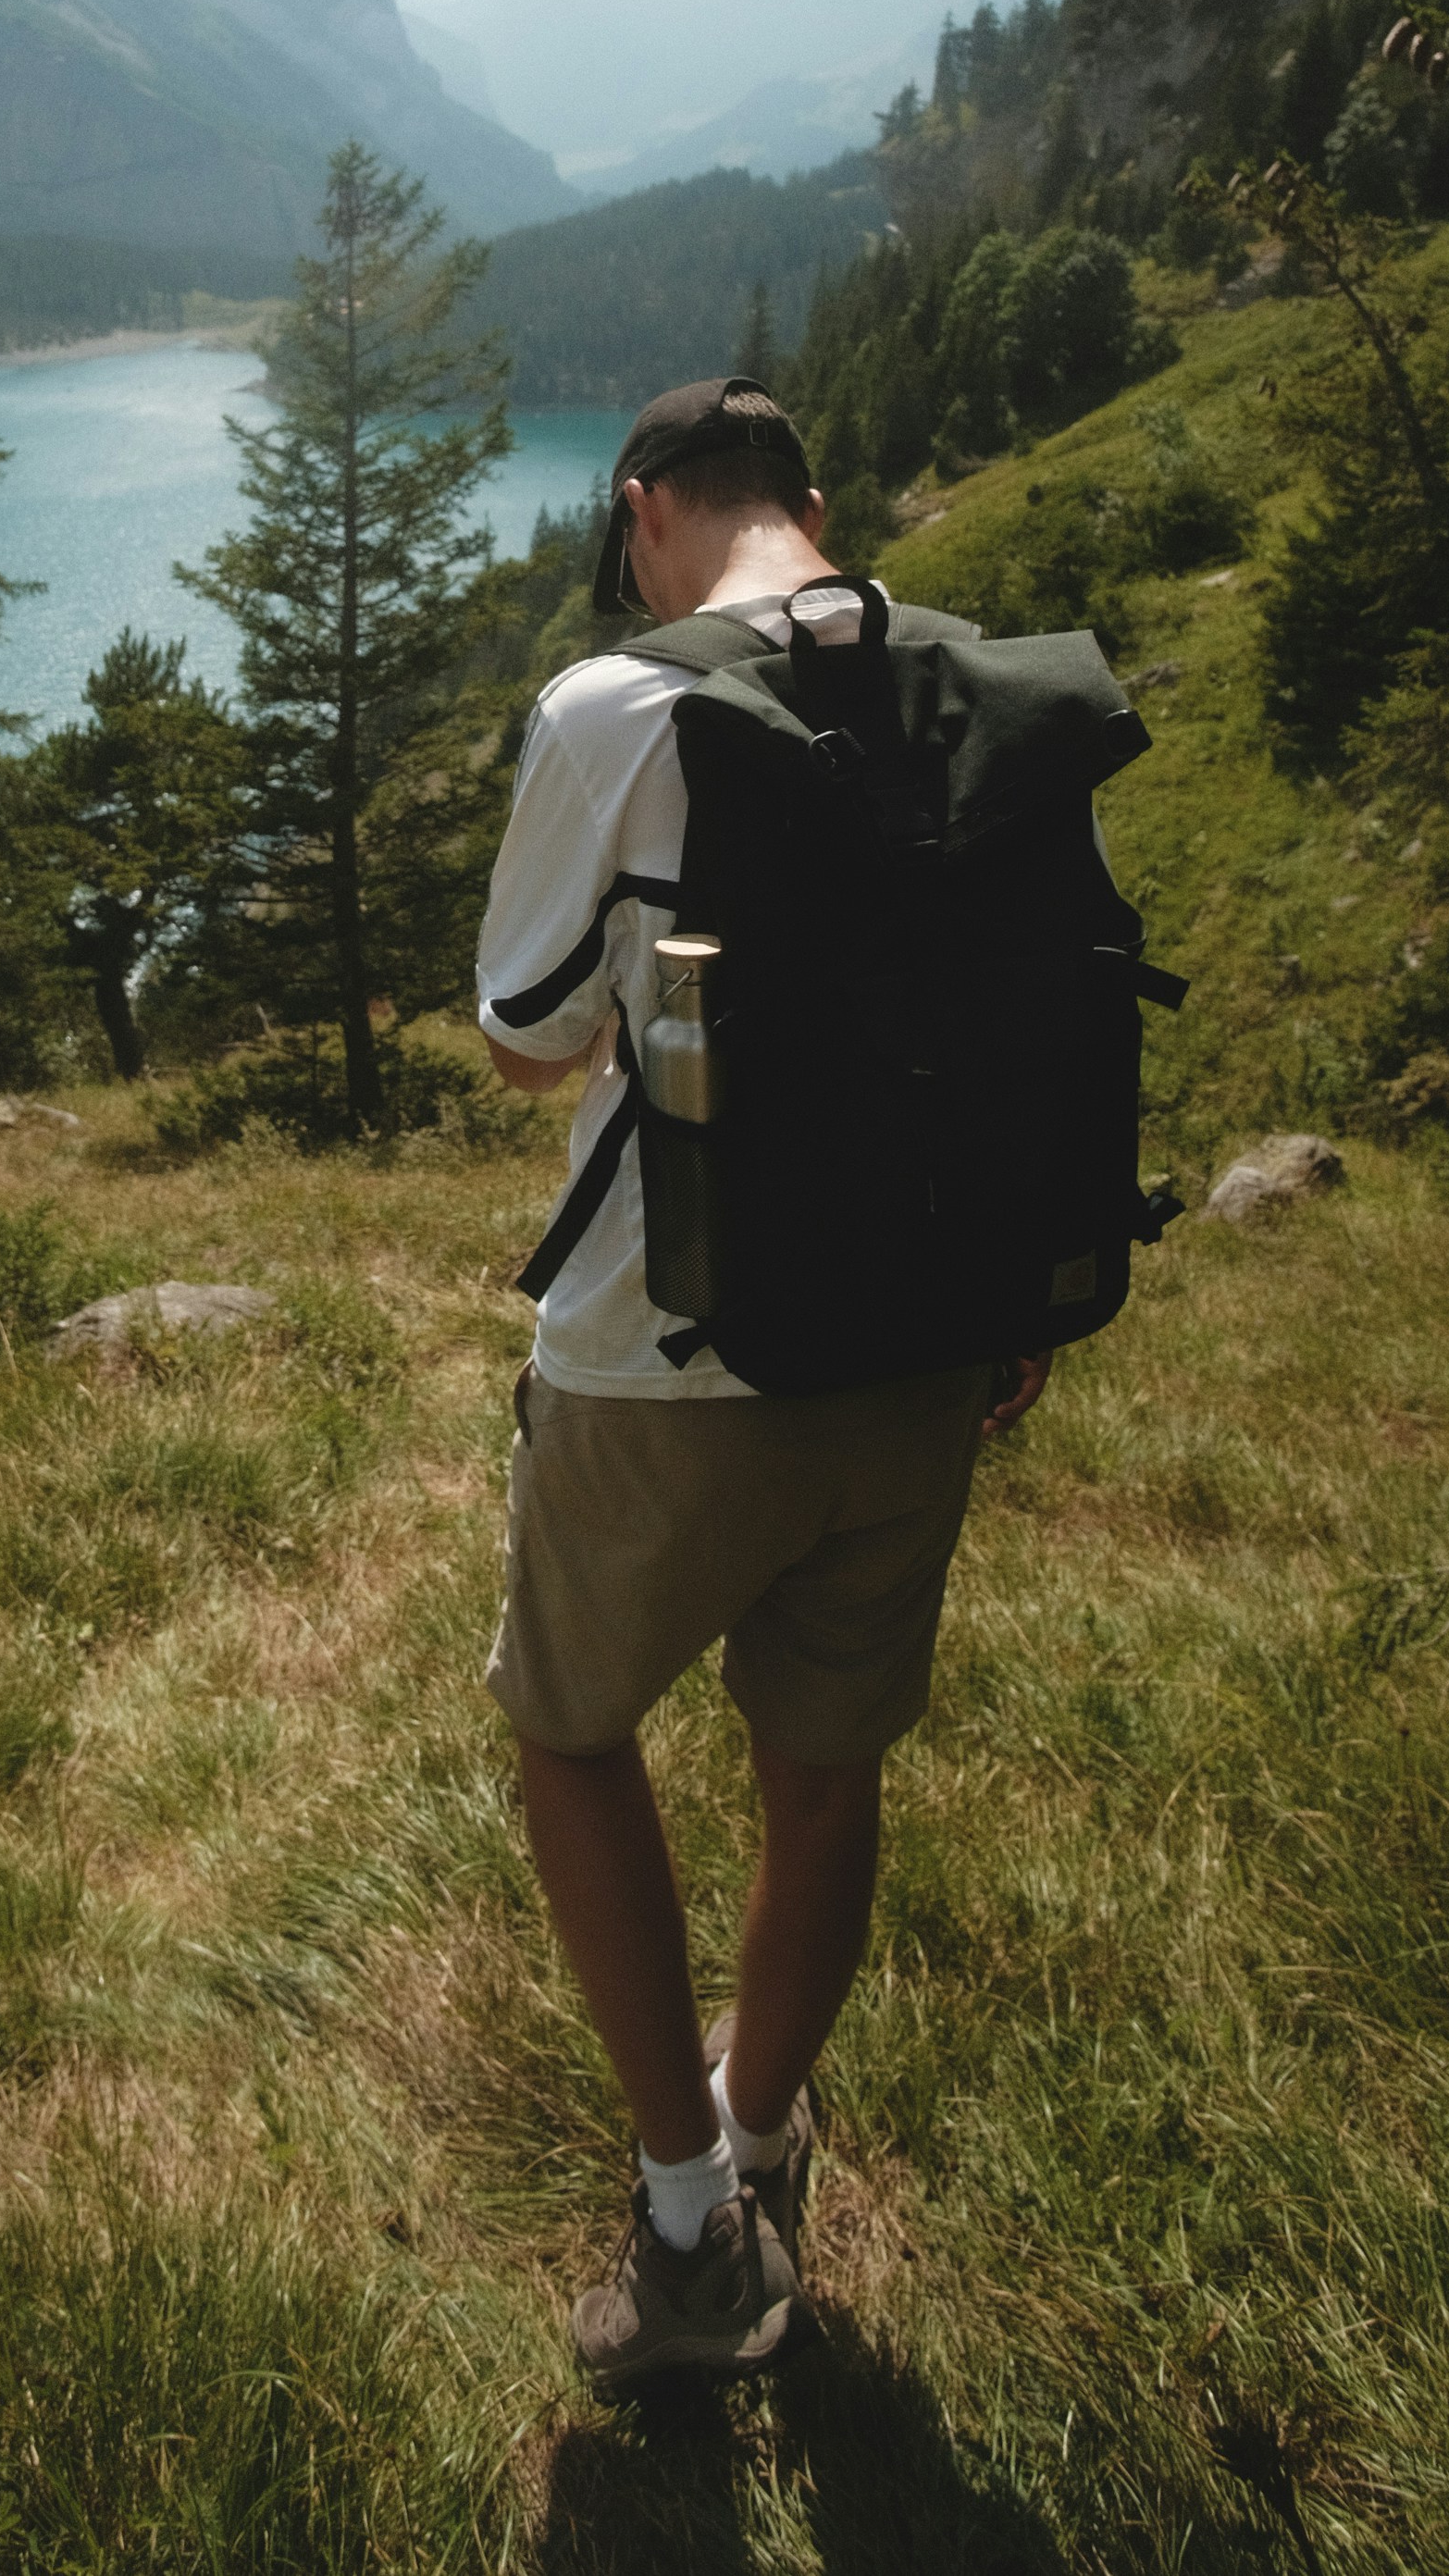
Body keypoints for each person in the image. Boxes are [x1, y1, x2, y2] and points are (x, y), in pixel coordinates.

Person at [477, 376, 1049, 2388]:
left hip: (665, 1347)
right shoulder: (981, 683)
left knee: (569, 1728)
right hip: (927, 1335)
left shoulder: (611, 707)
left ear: (642, 512)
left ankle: (688, 2222)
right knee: (824, 1765)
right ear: (814, 504)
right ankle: (770, 2115)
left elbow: (530, 1037)